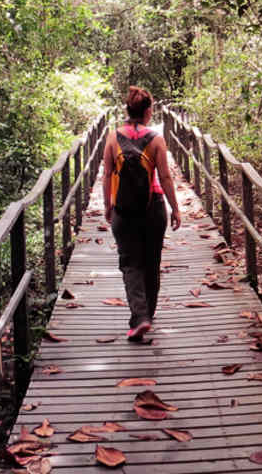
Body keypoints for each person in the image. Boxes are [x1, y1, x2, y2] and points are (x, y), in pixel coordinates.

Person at [102, 86, 182, 342]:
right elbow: (166, 177)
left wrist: (108, 205)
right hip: (153, 207)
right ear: (148, 112)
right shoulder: (157, 139)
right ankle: (148, 313)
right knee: (151, 262)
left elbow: (106, 175)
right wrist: (175, 207)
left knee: (130, 264)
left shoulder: (113, 138)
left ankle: (140, 316)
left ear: (127, 111)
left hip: (123, 210)